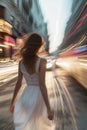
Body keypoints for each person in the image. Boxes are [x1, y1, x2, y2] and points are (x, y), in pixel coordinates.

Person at [10, 33, 55, 130]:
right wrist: (48, 108)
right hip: (38, 98)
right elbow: (42, 85)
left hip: (26, 97)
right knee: (38, 125)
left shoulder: (21, 62)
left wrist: (12, 102)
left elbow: (18, 83)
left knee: (28, 125)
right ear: (39, 46)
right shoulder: (42, 62)